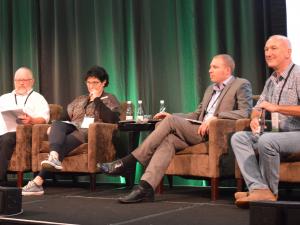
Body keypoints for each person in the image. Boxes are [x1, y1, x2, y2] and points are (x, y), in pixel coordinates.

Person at [99, 54, 253, 203]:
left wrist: (217, 117)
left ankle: (129, 161)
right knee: (168, 140)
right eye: (209, 67)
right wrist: (172, 116)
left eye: (214, 67)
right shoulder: (210, 89)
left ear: (227, 70)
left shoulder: (241, 84)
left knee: (171, 123)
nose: (209, 70)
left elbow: (245, 112)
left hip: (215, 133)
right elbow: (197, 114)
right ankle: (145, 188)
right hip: (197, 130)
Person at [22, 65, 121, 195]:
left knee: (67, 139)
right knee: (57, 124)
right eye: (89, 82)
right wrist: (53, 127)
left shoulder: (109, 99)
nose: (91, 86)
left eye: (95, 82)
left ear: (104, 83)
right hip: (72, 126)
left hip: (89, 132)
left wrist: (97, 99)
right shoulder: (80, 99)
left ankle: (38, 181)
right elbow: (64, 118)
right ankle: (54, 157)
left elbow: (112, 119)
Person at [231, 35, 300, 208]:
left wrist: (277, 107)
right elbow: (258, 107)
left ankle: (269, 193)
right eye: (266, 49)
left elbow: (273, 107)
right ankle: (258, 188)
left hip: (297, 134)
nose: (268, 53)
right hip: (279, 134)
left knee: (267, 140)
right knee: (239, 138)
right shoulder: (271, 81)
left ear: (288, 52)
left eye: (274, 48)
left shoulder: (298, 75)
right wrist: (254, 119)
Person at [0, 67, 50, 186]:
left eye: (25, 80)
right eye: (18, 80)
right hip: (2, 132)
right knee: (4, 137)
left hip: (24, 134)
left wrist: (32, 120)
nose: (21, 83)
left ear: (32, 81)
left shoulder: (38, 98)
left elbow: (44, 118)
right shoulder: (4, 98)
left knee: (6, 139)